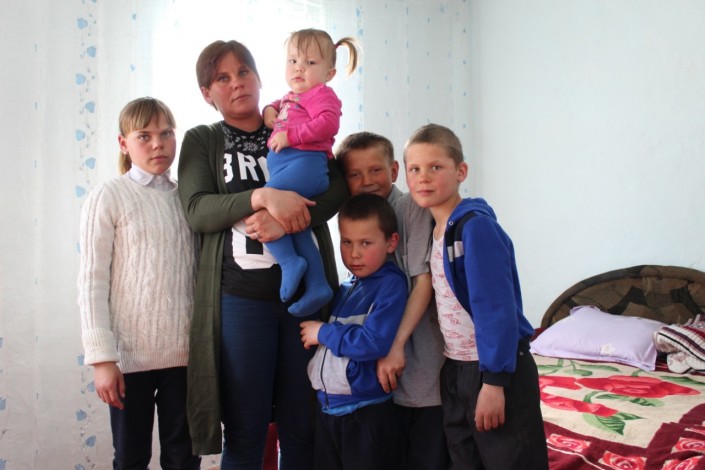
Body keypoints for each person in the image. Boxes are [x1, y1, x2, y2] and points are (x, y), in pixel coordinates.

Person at [177, 39, 349, 469]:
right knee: (246, 430)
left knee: (302, 426)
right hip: (241, 301)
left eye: (244, 72)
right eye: (223, 78)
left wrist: (288, 219)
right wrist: (262, 197)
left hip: (304, 301)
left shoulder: (294, 120)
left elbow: (337, 187)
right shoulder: (203, 139)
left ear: (258, 77)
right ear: (207, 93)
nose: (237, 83)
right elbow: (197, 208)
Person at [403, 123, 549, 469]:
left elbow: (496, 309)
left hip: (495, 368)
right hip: (455, 367)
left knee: (509, 460)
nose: (423, 178)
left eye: (435, 167)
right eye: (415, 169)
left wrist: (495, 383)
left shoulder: (475, 228)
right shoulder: (436, 230)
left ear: (461, 171)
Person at [77, 97, 200, 469]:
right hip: (128, 359)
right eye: (144, 136)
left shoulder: (188, 198)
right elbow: (92, 281)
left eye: (166, 133)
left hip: (186, 358)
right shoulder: (109, 196)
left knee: (184, 457)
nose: (158, 144)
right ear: (123, 143)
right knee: (131, 457)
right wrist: (102, 358)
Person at [335, 131, 449, 469]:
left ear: (394, 171)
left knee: (426, 449)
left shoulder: (410, 207)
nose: (366, 181)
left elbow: (423, 281)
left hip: (418, 352)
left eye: (375, 170)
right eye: (355, 174)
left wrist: (396, 345)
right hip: (380, 373)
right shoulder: (355, 216)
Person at [300, 193, 406, 470]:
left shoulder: (391, 285)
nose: (354, 253)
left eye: (365, 243)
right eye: (346, 242)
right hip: (329, 410)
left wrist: (323, 333)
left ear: (391, 242)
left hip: (366, 414)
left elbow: (373, 343)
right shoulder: (347, 285)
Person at [262, 28, 361, 317]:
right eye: (293, 61)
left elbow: (328, 123)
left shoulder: (321, 94)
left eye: (310, 63)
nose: (299, 68)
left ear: (329, 73)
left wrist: (291, 136)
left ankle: (290, 261)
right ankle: (317, 285)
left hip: (305, 164)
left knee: (265, 207)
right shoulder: (293, 96)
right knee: (296, 224)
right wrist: (269, 110)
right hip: (292, 166)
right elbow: (279, 106)